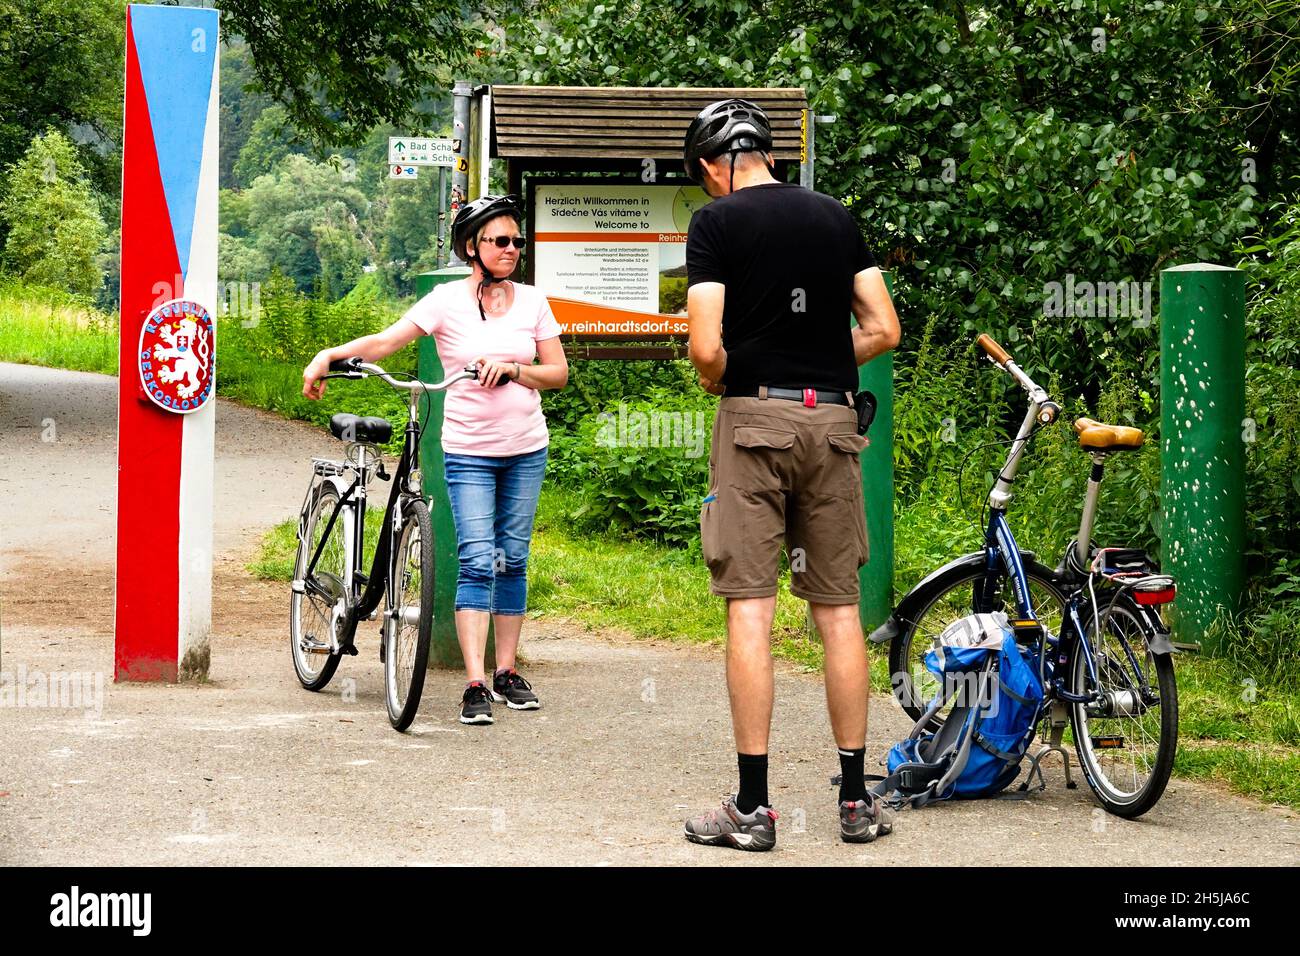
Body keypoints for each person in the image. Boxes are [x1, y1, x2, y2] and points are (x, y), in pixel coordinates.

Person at [679, 99, 902, 850]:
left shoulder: (717, 225)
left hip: (756, 421)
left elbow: (706, 349)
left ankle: (751, 809)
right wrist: (826, 367)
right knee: (838, 609)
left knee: (751, 606)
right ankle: (854, 802)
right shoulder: (836, 217)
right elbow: (884, 328)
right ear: (768, 152)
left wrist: (737, 374)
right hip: (835, 425)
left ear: (715, 164)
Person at [301, 194, 568, 725]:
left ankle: (506, 672)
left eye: (518, 240)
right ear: (473, 247)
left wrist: (515, 370)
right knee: (475, 557)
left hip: (526, 447)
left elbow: (556, 372)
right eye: (501, 241)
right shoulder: (445, 302)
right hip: (469, 450)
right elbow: (385, 342)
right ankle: (474, 682)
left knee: (512, 558)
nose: (512, 248)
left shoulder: (533, 302)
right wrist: (330, 356)